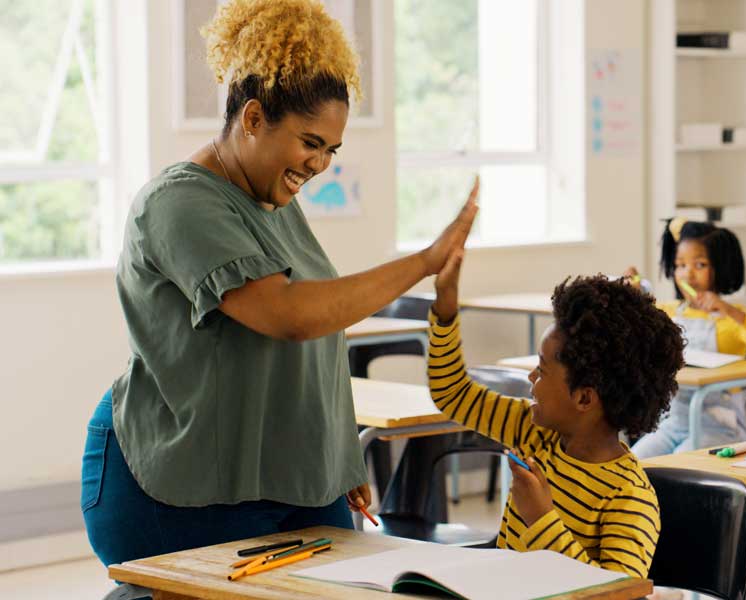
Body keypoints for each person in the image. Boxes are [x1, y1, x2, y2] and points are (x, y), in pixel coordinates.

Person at [81, 0, 477, 567]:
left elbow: (323, 328)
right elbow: (288, 315)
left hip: (289, 477)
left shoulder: (273, 200)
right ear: (252, 118)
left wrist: (338, 458)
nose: (320, 164)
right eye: (310, 142)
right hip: (177, 480)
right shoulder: (179, 202)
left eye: (331, 150)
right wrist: (422, 262)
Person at [426, 248, 684, 577]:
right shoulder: (534, 431)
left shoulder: (628, 496)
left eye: (542, 369)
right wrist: (446, 309)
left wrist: (541, 519)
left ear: (584, 398)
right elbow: (453, 394)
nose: (531, 377)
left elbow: (616, 594)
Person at [625, 218, 746, 457]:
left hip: (721, 428)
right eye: (680, 265)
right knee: (634, 461)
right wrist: (633, 295)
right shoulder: (668, 312)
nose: (688, 274)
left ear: (720, 268)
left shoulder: (732, 318)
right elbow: (634, 329)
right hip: (673, 424)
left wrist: (732, 312)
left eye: (700, 265)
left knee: (679, 465)